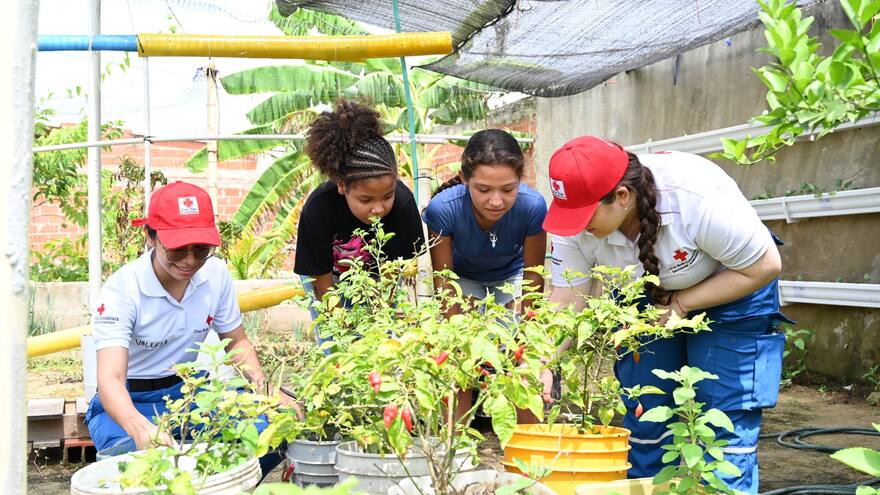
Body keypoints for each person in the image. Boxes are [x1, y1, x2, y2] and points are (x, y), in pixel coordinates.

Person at [542, 136, 788, 493]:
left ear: (622, 197)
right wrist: (542, 359)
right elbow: (568, 296)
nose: (577, 225)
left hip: (735, 286)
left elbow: (765, 266)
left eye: (585, 215)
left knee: (720, 426)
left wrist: (682, 304)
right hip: (645, 296)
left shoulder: (696, 198)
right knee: (647, 416)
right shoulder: (575, 223)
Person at [85, 181, 289, 478]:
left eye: (201, 249)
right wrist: (141, 428)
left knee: (270, 431)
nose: (191, 260)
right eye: (178, 249)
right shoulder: (122, 290)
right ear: (150, 237)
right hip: (129, 399)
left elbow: (236, 343)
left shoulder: (215, 275)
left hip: (189, 391)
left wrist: (267, 393)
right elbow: (111, 379)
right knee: (130, 463)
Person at [294, 99, 425, 344]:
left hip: (375, 278)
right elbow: (321, 284)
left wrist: (379, 318)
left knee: (380, 342)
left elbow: (390, 277)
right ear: (342, 186)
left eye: (387, 196)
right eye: (366, 200)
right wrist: (342, 327)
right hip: (329, 280)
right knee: (337, 346)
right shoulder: (319, 209)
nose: (378, 208)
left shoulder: (404, 206)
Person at [423, 129, 547, 315]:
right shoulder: (443, 209)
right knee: (469, 330)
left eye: (507, 189)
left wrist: (527, 335)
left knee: (513, 325)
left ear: (519, 179)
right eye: (483, 190)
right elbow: (444, 279)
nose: (496, 201)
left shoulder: (532, 206)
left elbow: (533, 274)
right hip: (464, 279)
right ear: (464, 178)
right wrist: (453, 334)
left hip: (513, 276)